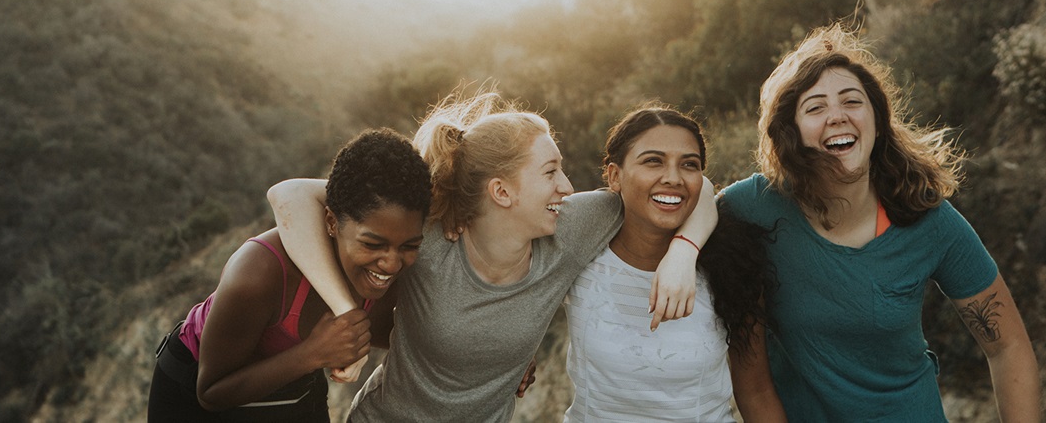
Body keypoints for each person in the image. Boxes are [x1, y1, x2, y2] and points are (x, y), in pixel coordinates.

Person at [267, 91, 717, 422]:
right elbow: (289, 196)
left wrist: (683, 251)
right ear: (501, 192)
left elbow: (696, 189)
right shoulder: (429, 234)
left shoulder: (572, 225)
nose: (567, 187)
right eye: (550, 172)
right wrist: (348, 317)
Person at [720, 24, 1041, 421]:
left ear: (876, 119)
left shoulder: (928, 219)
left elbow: (1007, 345)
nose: (837, 116)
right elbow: (689, 200)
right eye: (815, 107)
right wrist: (681, 254)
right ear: (792, 131)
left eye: (852, 101)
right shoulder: (754, 207)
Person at [147, 128, 433, 422]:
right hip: (196, 388)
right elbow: (210, 393)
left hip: (293, 382)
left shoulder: (390, 277)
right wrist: (314, 353)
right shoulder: (258, 273)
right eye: (373, 244)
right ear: (331, 222)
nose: (391, 263)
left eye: (410, 246)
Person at [563, 105, 785, 422]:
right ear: (614, 176)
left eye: (688, 165)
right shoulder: (580, 253)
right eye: (653, 161)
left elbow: (756, 393)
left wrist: (684, 251)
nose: (672, 178)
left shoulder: (732, 268)